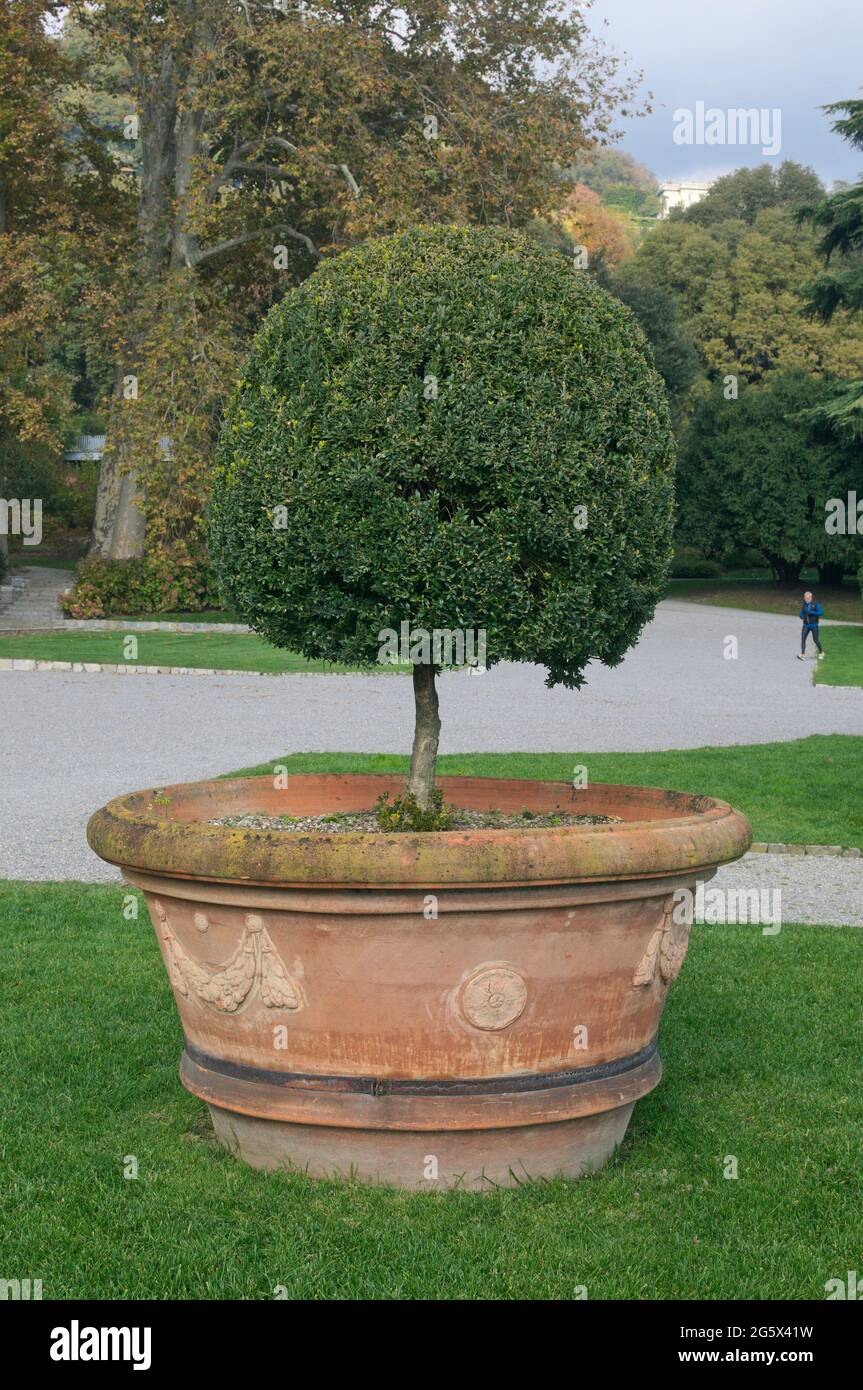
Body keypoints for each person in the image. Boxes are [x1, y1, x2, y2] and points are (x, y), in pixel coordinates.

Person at [797, 590, 824, 660]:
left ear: (811, 597)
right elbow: (802, 611)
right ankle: (802, 654)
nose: (806, 599)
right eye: (805, 598)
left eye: (807, 598)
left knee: (815, 640)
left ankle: (821, 652)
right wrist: (801, 615)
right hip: (806, 625)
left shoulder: (815, 604)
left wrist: (812, 612)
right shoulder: (804, 604)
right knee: (803, 639)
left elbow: (821, 612)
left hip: (814, 625)